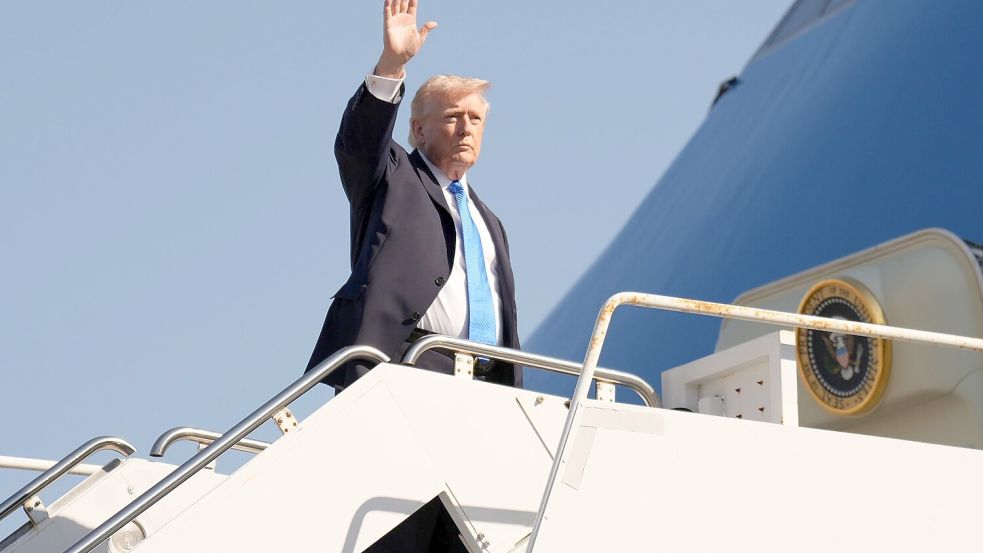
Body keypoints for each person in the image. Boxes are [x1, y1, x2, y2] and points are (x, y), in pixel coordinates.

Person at [306, 0, 521, 392]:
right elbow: (359, 144)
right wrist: (390, 65)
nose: (465, 129)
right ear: (419, 131)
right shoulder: (394, 176)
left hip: (489, 385)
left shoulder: (490, 222)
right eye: (452, 117)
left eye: (475, 119)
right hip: (404, 367)